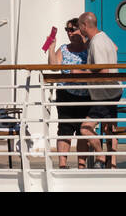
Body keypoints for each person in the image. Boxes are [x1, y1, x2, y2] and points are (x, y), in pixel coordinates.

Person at [77, 11, 121, 169]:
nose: (79, 30)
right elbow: (115, 49)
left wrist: (81, 72)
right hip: (112, 91)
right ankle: (111, 164)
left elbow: (103, 71)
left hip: (105, 94)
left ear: (84, 25)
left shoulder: (96, 42)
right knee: (110, 128)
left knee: (85, 128)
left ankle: (101, 156)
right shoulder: (104, 37)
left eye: (79, 27)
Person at [48, 17, 90, 168]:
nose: (69, 33)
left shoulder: (89, 48)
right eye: (67, 30)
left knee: (83, 131)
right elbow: (53, 68)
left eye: (72, 29)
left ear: (81, 30)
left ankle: (81, 165)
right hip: (65, 94)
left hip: (85, 96)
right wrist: (52, 48)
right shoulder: (64, 49)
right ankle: (62, 164)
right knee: (65, 129)